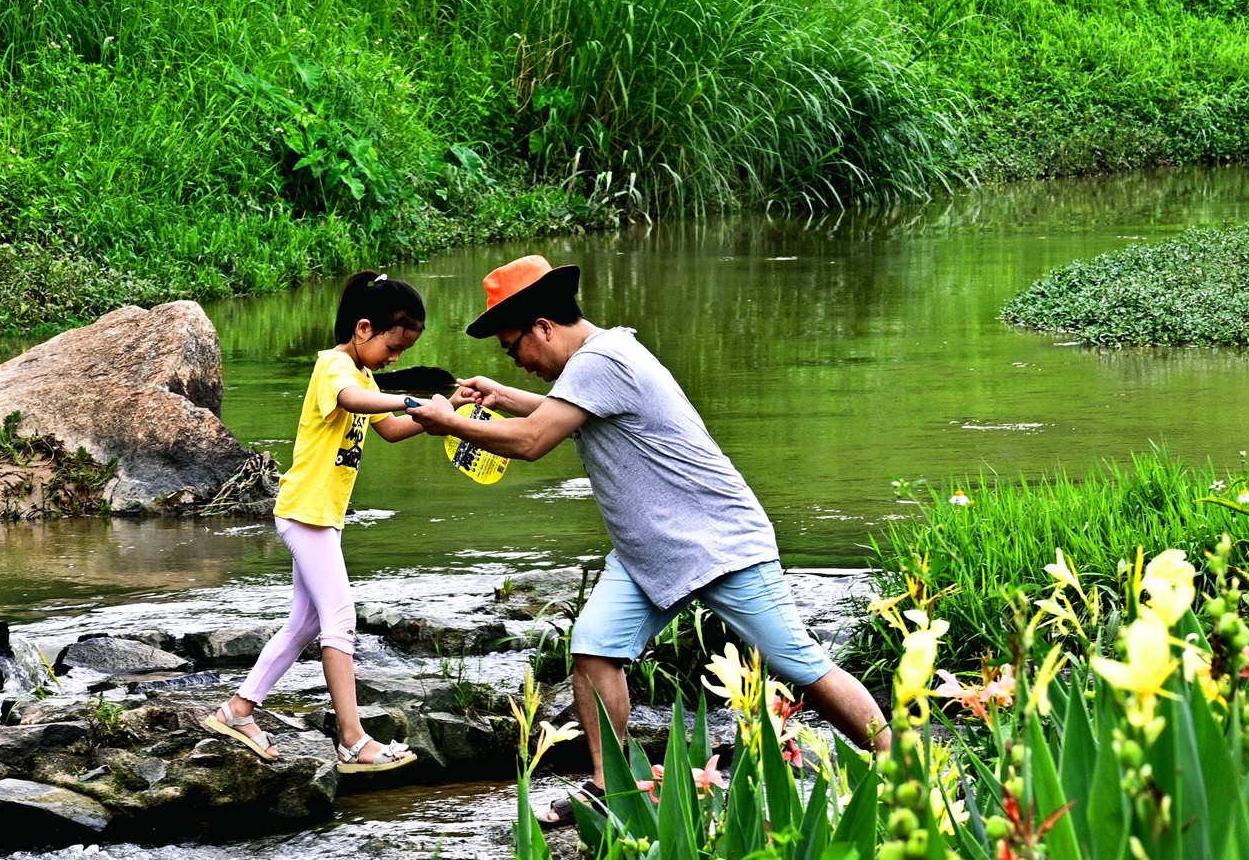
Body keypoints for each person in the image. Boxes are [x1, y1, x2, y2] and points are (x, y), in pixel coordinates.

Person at [414, 255, 890, 820]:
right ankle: (611, 787)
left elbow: (533, 441)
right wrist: (503, 396)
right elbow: (569, 414)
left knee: (796, 661)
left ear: (543, 327)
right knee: (593, 649)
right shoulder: (600, 359)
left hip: (717, 544)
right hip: (648, 552)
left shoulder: (598, 361)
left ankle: (899, 762)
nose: (516, 362)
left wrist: (447, 422)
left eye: (512, 347)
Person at [205, 271, 453, 774]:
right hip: (306, 513)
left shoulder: (364, 374)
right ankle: (351, 739)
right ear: (363, 329)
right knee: (340, 620)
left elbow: (393, 431)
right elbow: (353, 403)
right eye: (393, 346)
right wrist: (412, 398)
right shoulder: (334, 368)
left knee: (306, 623)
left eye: (403, 352)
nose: (395, 359)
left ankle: (237, 710)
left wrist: (446, 415)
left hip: (321, 516)